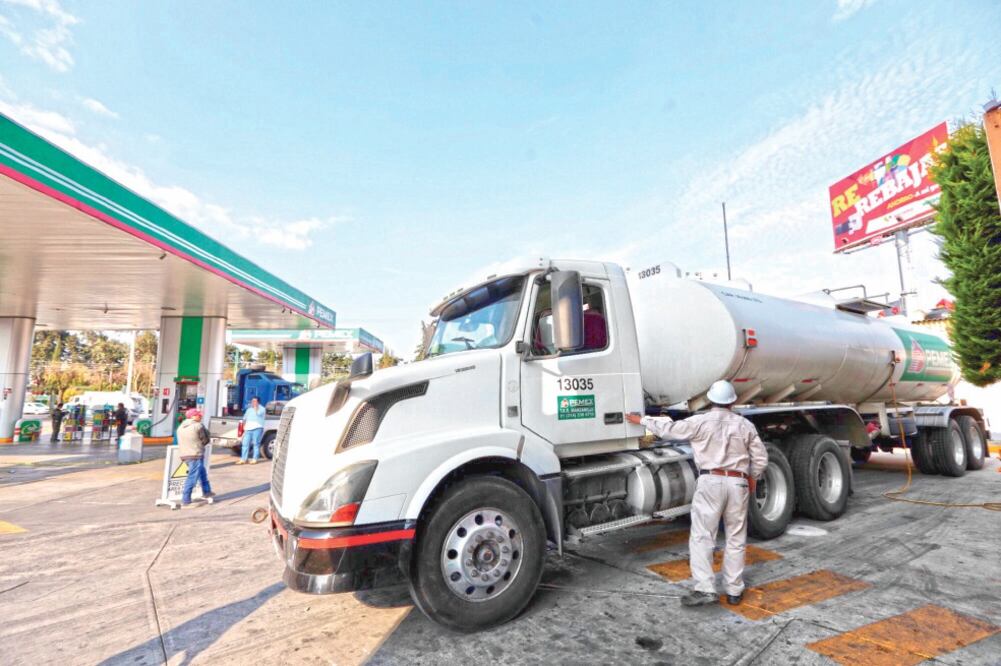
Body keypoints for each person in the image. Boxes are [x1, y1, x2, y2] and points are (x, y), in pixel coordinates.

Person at [626, 380, 767, 607]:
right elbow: (760, 458)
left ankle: (705, 589)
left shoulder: (699, 422)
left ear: (711, 400)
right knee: (736, 538)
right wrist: (752, 478)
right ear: (732, 402)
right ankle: (734, 591)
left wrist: (641, 420)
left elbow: (668, 430)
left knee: (703, 536)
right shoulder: (745, 425)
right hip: (738, 483)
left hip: (710, 482)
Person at [176, 408, 215, 507]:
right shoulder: (198, 426)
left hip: (185, 455)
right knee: (192, 477)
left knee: (202, 473)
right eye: (198, 415)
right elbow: (205, 440)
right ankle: (186, 500)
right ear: (192, 416)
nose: (200, 416)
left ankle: (207, 491)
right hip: (195, 454)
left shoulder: (180, 427)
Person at [238, 396, 266, 465]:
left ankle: (254, 459)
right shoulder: (249, 409)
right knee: (245, 444)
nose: (253, 402)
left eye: (255, 401)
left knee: (256, 444)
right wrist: (244, 427)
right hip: (248, 429)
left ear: (258, 402)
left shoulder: (262, 409)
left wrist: (256, 407)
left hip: (257, 428)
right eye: (252, 401)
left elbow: (258, 413)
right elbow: (244, 418)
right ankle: (244, 459)